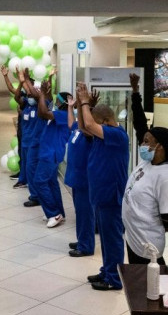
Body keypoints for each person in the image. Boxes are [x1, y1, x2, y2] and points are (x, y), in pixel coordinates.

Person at [123, 73, 168, 315]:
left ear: (160, 146)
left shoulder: (165, 176)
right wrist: (136, 93)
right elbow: (139, 124)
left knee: (153, 297)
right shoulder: (149, 160)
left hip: (148, 248)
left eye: (148, 141)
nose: (143, 143)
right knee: (141, 295)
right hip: (134, 240)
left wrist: (148, 219)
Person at [76, 82, 130, 291]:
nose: (95, 127)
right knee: (106, 239)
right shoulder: (103, 133)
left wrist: (85, 102)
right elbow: (84, 126)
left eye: (98, 123)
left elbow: (89, 126)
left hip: (110, 196)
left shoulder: (117, 135)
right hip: (100, 195)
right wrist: (83, 106)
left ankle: (114, 279)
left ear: (107, 121)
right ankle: (107, 270)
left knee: (113, 238)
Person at [29, 75, 70, 228]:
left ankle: (53, 213)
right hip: (49, 152)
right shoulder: (61, 112)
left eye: (59, 101)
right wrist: (46, 92)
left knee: (39, 181)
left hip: (50, 154)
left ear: (65, 104)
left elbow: (43, 113)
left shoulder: (64, 114)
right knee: (52, 183)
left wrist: (41, 96)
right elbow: (48, 105)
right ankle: (60, 212)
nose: (56, 103)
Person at [64, 90, 98, 257]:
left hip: (85, 180)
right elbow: (71, 125)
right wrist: (71, 107)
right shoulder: (78, 128)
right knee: (80, 212)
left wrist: (87, 105)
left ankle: (86, 246)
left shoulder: (89, 132)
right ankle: (82, 239)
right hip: (76, 178)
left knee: (85, 214)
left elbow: (87, 125)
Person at [19, 68, 46, 207]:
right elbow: (26, 94)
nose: (30, 95)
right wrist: (23, 81)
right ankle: (35, 195)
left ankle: (37, 196)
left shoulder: (43, 106)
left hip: (37, 144)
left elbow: (35, 95)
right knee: (29, 169)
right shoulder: (28, 107)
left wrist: (27, 80)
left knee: (33, 170)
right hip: (29, 142)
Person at [0, 66, 26, 188]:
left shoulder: (33, 98)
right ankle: (22, 173)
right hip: (22, 127)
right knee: (21, 151)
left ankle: (25, 176)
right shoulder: (23, 94)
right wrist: (5, 76)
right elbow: (11, 89)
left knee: (26, 154)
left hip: (29, 130)